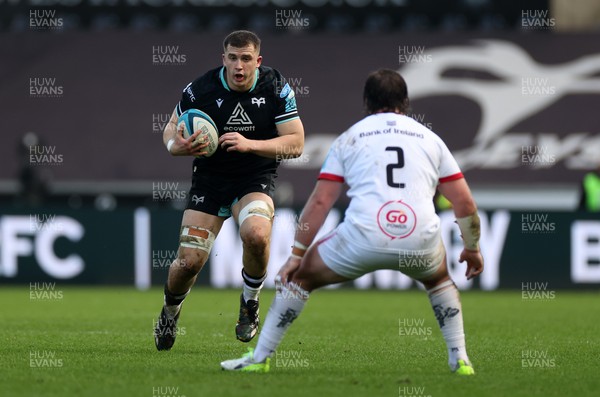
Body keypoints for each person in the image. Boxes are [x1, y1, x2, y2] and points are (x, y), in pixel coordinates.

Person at [220, 69, 484, 375]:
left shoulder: (351, 137)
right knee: (439, 281)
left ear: (366, 102)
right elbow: (464, 203)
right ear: (406, 102)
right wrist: (472, 248)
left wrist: (296, 256)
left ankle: (259, 358)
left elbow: (321, 201)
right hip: (418, 236)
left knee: (298, 280)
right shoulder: (430, 139)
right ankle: (460, 359)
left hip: (363, 235)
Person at [154, 30, 305, 350]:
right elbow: (170, 128)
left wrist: (250, 145)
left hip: (254, 178)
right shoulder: (201, 89)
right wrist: (175, 145)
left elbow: (296, 143)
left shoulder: (275, 86)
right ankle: (169, 311)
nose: (239, 66)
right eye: (233, 58)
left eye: (246, 59)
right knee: (189, 262)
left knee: (257, 235)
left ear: (258, 61)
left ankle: (249, 303)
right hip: (210, 180)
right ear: (223, 59)